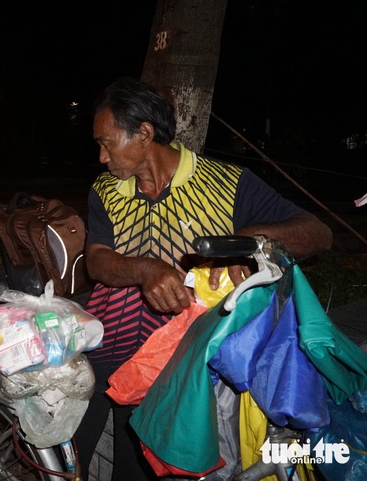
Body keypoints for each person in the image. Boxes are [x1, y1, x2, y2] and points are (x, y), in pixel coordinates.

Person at [76, 77, 333, 481]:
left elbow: (318, 232)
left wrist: (249, 240)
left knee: (134, 468)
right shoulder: (106, 190)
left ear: (144, 134)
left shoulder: (227, 183)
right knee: (63, 456)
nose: (102, 156)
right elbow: (97, 261)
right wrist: (146, 270)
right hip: (102, 354)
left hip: (175, 369)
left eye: (107, 142)